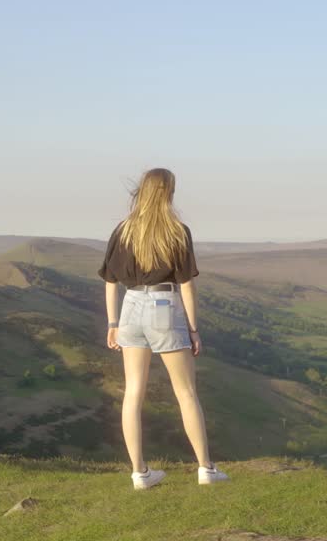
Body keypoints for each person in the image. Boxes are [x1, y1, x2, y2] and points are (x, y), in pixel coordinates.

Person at [98, 167, 229, 489]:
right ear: (168, 192)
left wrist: (112, 322)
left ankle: (140, 473)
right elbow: (186, 285)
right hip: (163, 306)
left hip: (130, 307)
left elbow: (110, 282)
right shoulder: (177, 231)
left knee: (132, 393)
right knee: (185, 393)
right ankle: (205, 468)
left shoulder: (123, 230)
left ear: (141, 191)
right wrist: (194, 329)